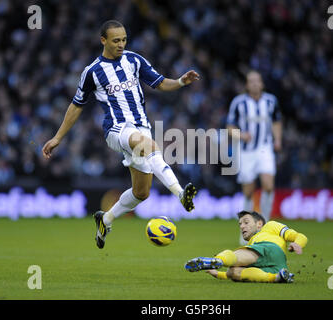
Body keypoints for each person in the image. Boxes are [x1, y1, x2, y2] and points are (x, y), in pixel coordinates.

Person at [42, 20, 200, 249]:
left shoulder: (134, 60)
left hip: (141, 127)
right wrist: (57, 138)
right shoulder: (92, 72)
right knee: (148, 145)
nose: (121, 44)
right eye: (116, 40)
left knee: (141, 192)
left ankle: (105, 219)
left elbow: (160, 83)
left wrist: (180, 82)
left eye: (124, 39)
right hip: (116, 129)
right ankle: (180, 193)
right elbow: (76, 105)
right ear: (103, 40)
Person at [226, 70, 282, 244]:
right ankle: (245, 230)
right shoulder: (239, 102)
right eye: (251, 81)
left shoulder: (271, 101)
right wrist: (241, 136)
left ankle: (263, 226)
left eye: (257, 81)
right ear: (247, 85)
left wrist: (278, 139)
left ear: (262, 83)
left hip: (265, 148)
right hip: (246, 151)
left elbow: (276, 121)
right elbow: (229, 126)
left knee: (268, 186)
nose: (255, 84)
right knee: (248, 191)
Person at [184, 211, 307, 283]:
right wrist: (218, 274)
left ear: (259, 224)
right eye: (240, 224)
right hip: (278, 266)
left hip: (270, 248)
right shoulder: (251, 244)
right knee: (234, 272)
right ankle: (278, 277)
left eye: (246, 222)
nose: (242, 226)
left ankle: (218, 260)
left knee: (236, 257)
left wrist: (297, 243)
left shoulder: (270, 226)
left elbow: (300, 236)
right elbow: (231, 273)